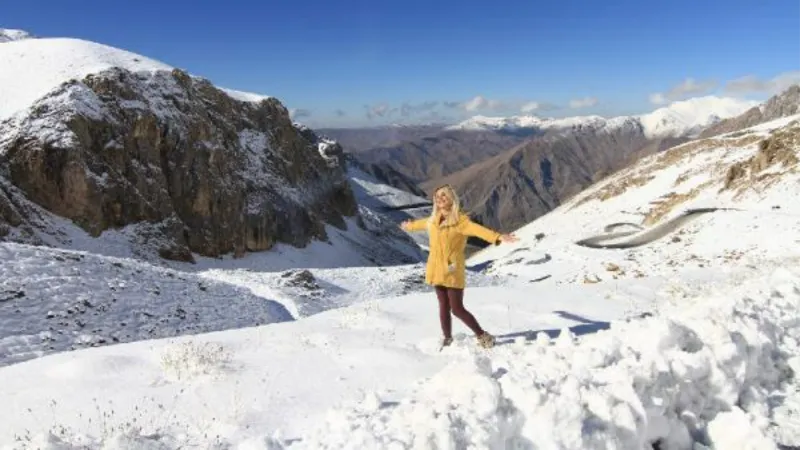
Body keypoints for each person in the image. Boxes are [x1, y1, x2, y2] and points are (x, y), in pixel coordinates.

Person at [400, 184, 519, 349]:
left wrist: (498, 237)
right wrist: (408, 226)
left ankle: (483, 336)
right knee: (443, 305)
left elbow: (480, 231)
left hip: (452, 270)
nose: (439, 198)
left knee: (456, 308)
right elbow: (419, 224)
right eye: (437, 196)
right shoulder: (433, 220)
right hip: (436, 269)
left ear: (451, 199)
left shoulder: (460, 222)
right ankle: (447, 338)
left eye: (444, 195)